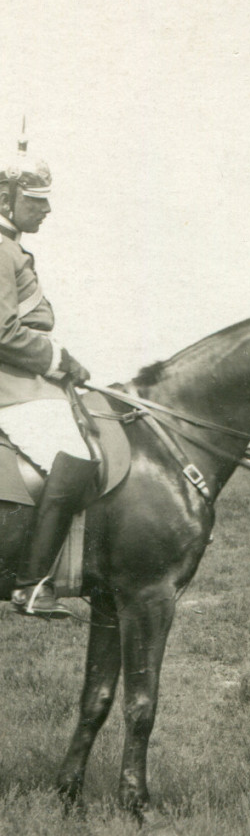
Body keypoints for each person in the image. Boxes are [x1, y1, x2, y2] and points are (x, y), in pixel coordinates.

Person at [0, 134, 96, 618]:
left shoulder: (12, 248)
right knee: (77, 453)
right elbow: (3, 331)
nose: (46, 210)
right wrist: (58, 360)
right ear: (5, 199)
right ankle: (34, 585)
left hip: (24, 380)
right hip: (8, 386)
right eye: (34, 201)